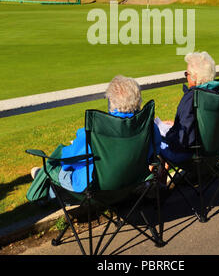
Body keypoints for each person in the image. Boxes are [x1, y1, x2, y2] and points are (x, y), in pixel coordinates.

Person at [31, 75, 161, 196]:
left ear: (111, 101)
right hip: (134, 181)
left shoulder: (94, 133)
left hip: (99, 188)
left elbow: (67, 159)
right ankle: (42, 182)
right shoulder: (148, 127)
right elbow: (155, 152)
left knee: (54, 170)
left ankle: (43, 186)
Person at [157, 52, 219, 164]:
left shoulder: (192, 98)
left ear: (195, 77)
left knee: (153, 137)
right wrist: (176, 125)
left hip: (191, 154)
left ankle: (156, 180)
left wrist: (168, 132)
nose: (186, 76)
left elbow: (183, 139)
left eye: (186, 73)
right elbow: (201, 124)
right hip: (218, 149)